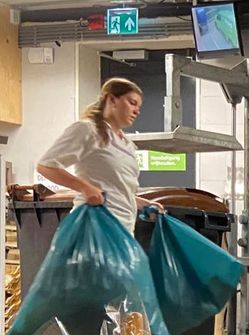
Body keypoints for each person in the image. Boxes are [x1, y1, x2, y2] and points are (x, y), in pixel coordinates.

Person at [37, 77, 162, 233]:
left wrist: (141, 203)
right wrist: (85, 188)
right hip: (93, 229)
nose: (137, 111)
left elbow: (115, 190)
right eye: (132, 103)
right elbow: (46, 166)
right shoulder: (87, 130)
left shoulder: (127, 143)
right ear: (111, 99)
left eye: (139, 106)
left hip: (123, 229)